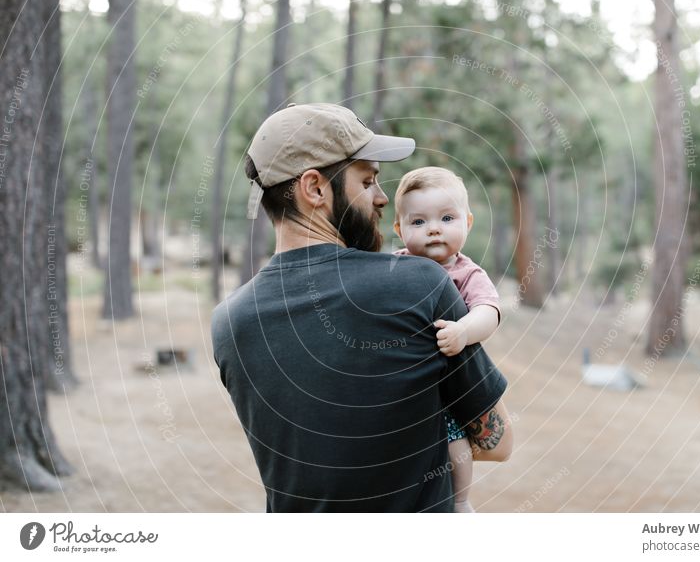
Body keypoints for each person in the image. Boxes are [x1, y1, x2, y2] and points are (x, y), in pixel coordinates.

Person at [211, 102, 512, 512]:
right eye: (367, 181)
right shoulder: (419, 283)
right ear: (315, 189)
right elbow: (497, 443)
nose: (383, 197)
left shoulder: (230, 321)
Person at [393, 166, 502, 513]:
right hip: (403, 379)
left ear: (468, 223)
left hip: (447, 383)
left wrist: (463, 331)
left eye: (447, 218)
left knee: (455, 442)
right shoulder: (392, 267)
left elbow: (489, 311)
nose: (434, 228)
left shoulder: (467, 273)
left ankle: (460, 501)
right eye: (418, 222)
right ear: (399, 229)